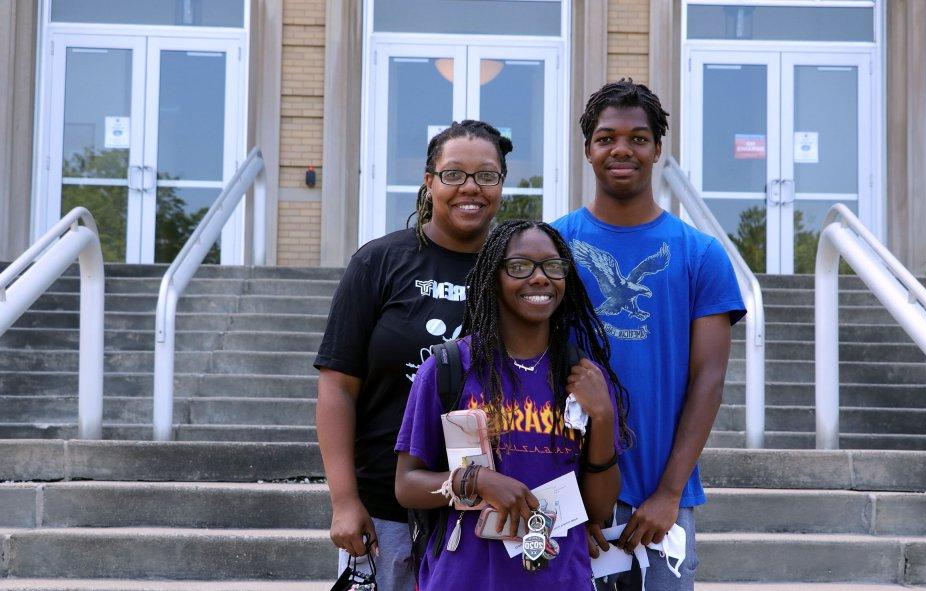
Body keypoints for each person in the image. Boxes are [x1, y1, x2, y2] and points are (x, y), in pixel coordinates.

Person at [552, 79, 746, 590]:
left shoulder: (700, 254)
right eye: (606, 137)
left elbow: (708, 380)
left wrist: (669, 493)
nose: (622, 149)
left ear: (658, 149)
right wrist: (564, 499)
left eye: (638, 138)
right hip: (565, 497)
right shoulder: (553, 247)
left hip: (660, 504)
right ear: (589, 150)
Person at [314, 120, 513, 589]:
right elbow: (337, 386)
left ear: (502, 184)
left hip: (485, 510)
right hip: (387, 510)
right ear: (429, 182)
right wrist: (344, 500)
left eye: (487, 175)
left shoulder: (516, 271)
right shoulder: (378, 262)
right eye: (453, 174)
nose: (471, 188)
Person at [394, 220, 631, 590]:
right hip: (463, 577)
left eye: (553, 267)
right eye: (520, 266)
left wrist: (602, 415)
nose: (540, 278)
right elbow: (406, 485)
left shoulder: (583, 377)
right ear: (493, 277)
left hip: (557, 578)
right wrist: (477, 480)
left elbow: (599, 510)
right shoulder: (449, 368)